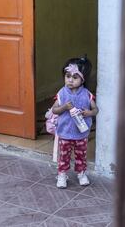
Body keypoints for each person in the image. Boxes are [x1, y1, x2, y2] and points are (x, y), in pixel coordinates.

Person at [51, 57, 99, 188]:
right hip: (65, 133)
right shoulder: (61, 93)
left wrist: (88, 113)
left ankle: (81, 173)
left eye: (75, 77)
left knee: (81, 155)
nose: (70, 80)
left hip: (81, 134)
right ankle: (62, 175)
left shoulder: (87, 94)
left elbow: (95, 110)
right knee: (63, 156)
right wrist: (63, 108)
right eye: (67, 76)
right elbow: (54, 110)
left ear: (82, 80)